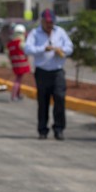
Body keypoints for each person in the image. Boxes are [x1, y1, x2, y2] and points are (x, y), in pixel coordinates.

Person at [23, 9, 73, 140]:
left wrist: (61, 50)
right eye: (47, 23)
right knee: (43, 101)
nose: (50, 25)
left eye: (51, 23)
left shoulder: (60, 32)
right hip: (42, 72)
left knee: (60, 99)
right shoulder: (35, 33)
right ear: (42, 21)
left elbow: (70, 47)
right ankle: (42, 130)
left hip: (57, 71)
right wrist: (43, 49)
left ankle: (59, 128)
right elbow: (28, 49)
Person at [6, 24, 31, 101]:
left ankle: (18, 94)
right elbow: (26, 52)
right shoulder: (21, 43)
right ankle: (14, 95)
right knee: (18, 80)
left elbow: (8, 54)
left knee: (18, 79)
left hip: (15, 64)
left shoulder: (11, 44)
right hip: (22, 65)